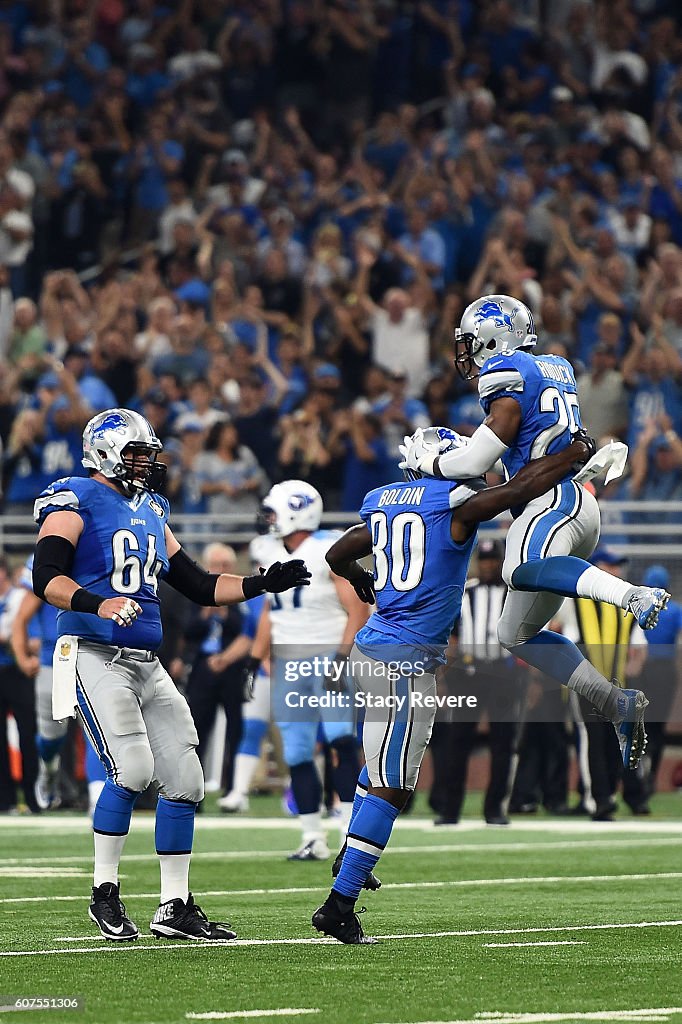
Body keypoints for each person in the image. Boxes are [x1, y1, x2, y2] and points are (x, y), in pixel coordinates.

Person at [32, 408, 310, 942]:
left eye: (147, 453)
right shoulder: (73, 496)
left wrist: (262, 582)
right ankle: (104, 892)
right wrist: (99, 602)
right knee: (132, 769)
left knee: (186, 777)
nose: (146, 463)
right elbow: (46, 576)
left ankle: (174, 905)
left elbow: (199, 584)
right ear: (105, 452)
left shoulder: (151, 508)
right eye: (135, 453)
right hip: (92, 651)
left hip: (147, 661)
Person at [312, 426, 593, 943]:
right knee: (393, 782)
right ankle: (339, 904)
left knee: (379, 767)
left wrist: (361, 579)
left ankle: (352, 858)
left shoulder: (386, 502)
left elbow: (337, 554)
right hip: (403, 660)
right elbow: (516, 492)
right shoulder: (452, 503)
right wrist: (574, 454)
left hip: (371, 648)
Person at [399, 293, 670, 770]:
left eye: (470, 341)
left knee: (519, 568)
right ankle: (614, 703)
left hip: (552, 501)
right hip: (571, 503)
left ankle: (632, 596)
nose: (466, 353)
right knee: (515, 633)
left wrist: (432, 460)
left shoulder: (504, 372)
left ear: (491, 336)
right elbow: (506, 462)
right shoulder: (554, 365)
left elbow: (480, 460)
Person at [246, 479, 369, 861]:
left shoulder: (327, 548)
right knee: (297, 753)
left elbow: (358, 609)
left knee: (341, 742)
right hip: (288, 661)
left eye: (274, 509)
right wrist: (254, 658)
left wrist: (343, 658)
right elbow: (271, 609)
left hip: (328, 654)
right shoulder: (266, 548)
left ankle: (351, 836)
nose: (267, 517)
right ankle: (312, 836)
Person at [431, 539, 525, 826]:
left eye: (492, 560)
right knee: (457, 741)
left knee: (503, 742)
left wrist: (529, 676)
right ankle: (450, 809)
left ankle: (495, 808)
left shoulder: (514, 595)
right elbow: (452, 637)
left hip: (503, 672)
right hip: (468, 672)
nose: (488, 565)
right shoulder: (464, 593)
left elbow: (527, 635)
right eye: (484, 561)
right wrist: (441, 675)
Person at [11, 554, 107, 814]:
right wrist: (22, 657)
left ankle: (97, 797)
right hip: (54, 659)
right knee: (52, 736)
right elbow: (21, 617)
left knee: (97, 731)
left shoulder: (107, 545)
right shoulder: (48, 553)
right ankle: (49, 767)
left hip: (96, 655)